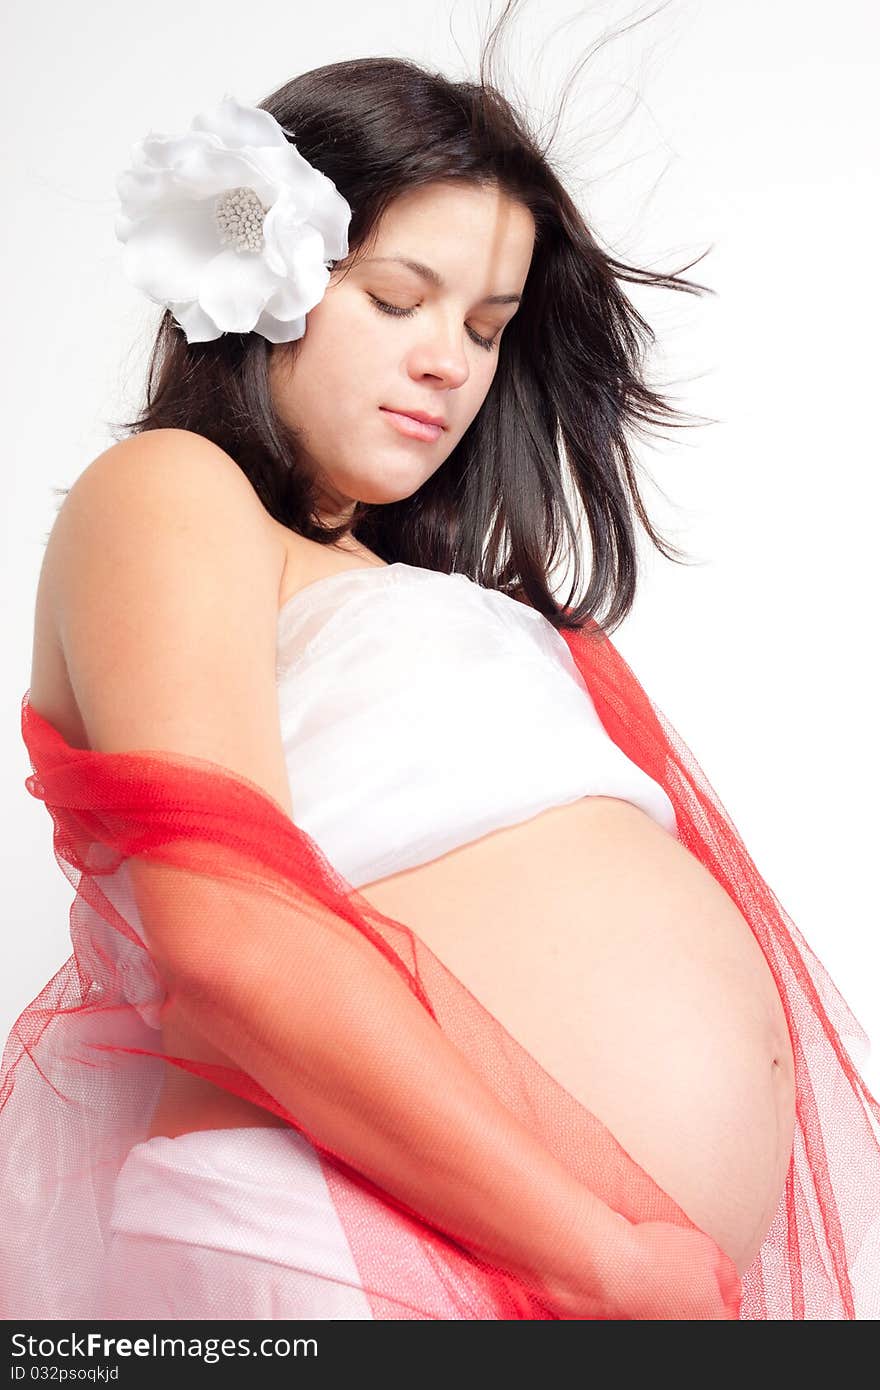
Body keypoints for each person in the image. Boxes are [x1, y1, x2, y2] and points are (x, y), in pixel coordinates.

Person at [4, 34, 879, 1323]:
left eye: (484, 328)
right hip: (347, 1245)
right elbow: (225, 943)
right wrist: (599, 1254)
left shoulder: (393, 577)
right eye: (398, 299)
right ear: (264, 283)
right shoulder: (175, 490)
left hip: (523, 1267)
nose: (450, 364)